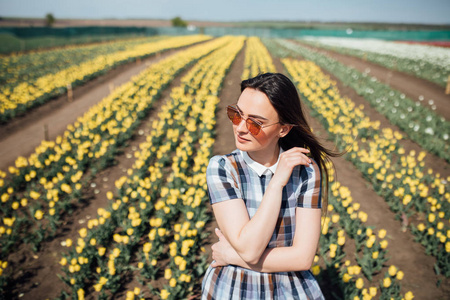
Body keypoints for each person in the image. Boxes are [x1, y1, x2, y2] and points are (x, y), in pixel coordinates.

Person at [201, 72, 339, 299]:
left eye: (256, 123)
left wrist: (231, 256)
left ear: (283, 129)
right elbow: (250, 249)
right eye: (237, 114)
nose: (241, 128)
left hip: (289, 290)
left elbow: (302, 258)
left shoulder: (305, 170)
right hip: (235, 289)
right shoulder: (222, 168)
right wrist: (276, 185)